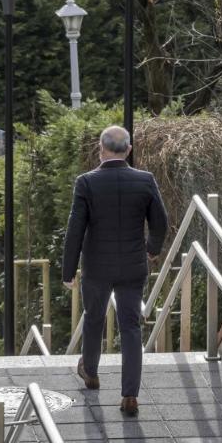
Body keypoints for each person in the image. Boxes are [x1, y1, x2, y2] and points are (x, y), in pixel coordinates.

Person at [62, 125, 168, 416]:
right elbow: (161, 222)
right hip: (133, 266)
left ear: (100, 148)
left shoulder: (86, 183)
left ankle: (91, 372)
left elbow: (75, 229)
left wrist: (68, 270)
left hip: (97, 267)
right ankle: (130, 395)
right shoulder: (145, 180)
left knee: (94, 318)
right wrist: (151, 248)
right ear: (129, 150)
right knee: (131, 326)